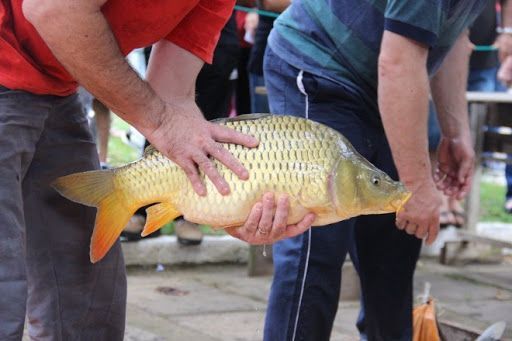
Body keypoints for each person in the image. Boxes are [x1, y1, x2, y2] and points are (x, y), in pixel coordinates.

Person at [0, 1, 315, 339]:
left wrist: (229, 205)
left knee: (86, 296)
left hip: (56, 81)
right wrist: (161, 121)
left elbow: (172, 95)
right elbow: (53, 10)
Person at [262, 1, 480, 340]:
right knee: (315, 241)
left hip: (387, 81)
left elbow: (452, 33)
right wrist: (418, 186)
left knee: (396, 242)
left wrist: (455, 130)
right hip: (321, 67)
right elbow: (398, 64)